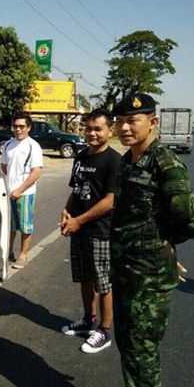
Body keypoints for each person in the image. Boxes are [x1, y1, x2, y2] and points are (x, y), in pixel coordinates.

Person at [111, 93, 194, 387]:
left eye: (133, 120)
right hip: (125, 271)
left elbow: (190, 220)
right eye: (122, 120)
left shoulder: (166, 164)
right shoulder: (127, 162)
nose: (125, 126)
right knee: (127, 344)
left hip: (149, 278)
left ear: (153, 122)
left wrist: (163, 246)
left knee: (143, 350)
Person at [59, 108, 121, 354]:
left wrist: (79, 220)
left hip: (100, 231)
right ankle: (88, 320)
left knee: (103, 282)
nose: (92, 133)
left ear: (110, 130)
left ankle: (104, 331)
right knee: (84, 278)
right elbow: (77, 189)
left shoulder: (114, 160)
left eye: (98, 129)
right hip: (80, 228)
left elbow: (110, 201)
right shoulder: (82, 156)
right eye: (88, 128)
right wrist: (66, 212)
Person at [0, 112, 43, 269]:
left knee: (25, 226)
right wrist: (10, 187)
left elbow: (36, 172)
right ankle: (9, 251)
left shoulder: (33, 146)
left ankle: (23, 255)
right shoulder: (8, 145)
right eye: (15, 126)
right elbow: (4, 166)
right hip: (9, 193)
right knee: (10, 226)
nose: (18, 129)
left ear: (28, 128)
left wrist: (20, 189)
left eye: (21, 126)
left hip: (25, 193)